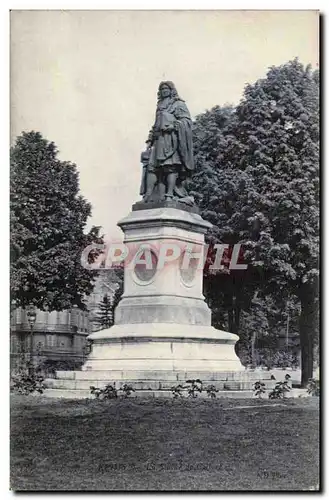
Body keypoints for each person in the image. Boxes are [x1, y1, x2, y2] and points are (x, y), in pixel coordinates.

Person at [141, 81, 195, 203]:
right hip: (159, 140)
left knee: (171, 167)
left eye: (166, 88)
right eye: (162, 89)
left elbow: (186, 121)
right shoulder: (159, 105)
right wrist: (150, 139)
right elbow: (155, 125)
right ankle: (148, 195)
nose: (164, 91)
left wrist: (172, 126)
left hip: (172, 140)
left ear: (172, 90)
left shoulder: (178, 104)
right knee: (152, 167)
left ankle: (169, 195)